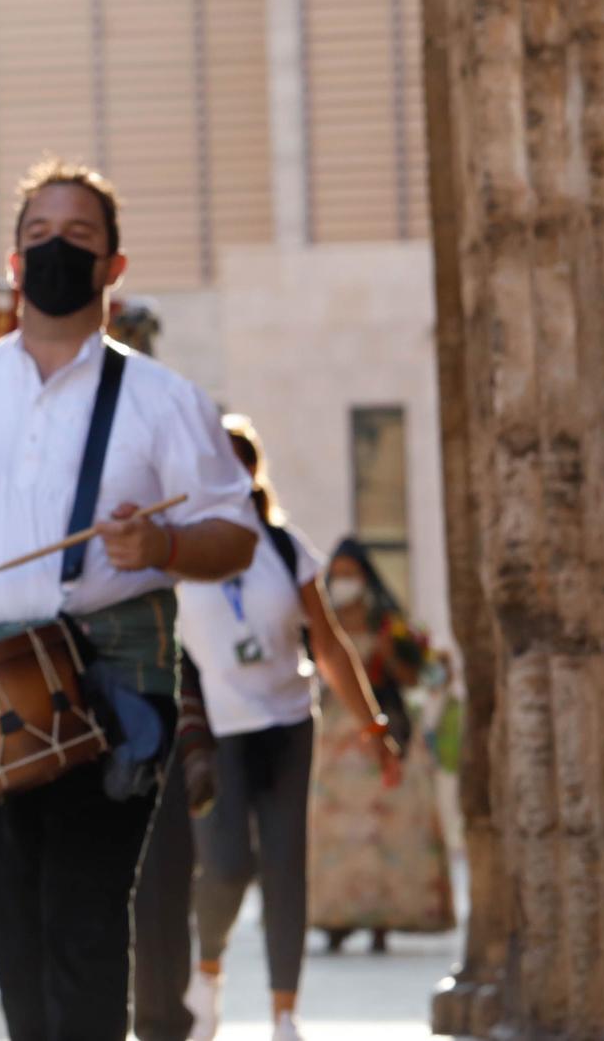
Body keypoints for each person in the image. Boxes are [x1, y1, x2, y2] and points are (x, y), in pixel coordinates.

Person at [0, 162, 258, 1041]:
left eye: (78, 237)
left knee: (82, 916)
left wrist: (167, 546)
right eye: (39, 235)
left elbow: (236, 533)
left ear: (114, 265)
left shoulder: (165, 400)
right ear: (12, 257)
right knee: (11, 927)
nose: (56, 251)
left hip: (110, 685)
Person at [174, 416, 400, 1041]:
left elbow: (327, 642)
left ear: (251, 473)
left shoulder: (283, 547)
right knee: (225, 866)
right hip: (219, 726)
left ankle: (283, 1013)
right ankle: (208, 967)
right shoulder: (178, 552)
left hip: (288, 720)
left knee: (284, 863)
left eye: (238, 464)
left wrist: (373, 725)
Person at [307, 537, 457, 954]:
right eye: (336, 575)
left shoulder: (387, 626)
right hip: (335, 735)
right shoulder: (320, 621)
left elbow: (414, 679)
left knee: (386, 824)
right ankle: (335, 918)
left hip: (384, 728)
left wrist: (395, 656)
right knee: (333, 827)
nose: (343, 583)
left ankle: (382, 921)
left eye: (350, 575)